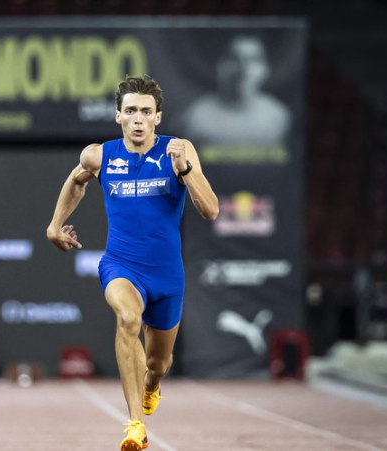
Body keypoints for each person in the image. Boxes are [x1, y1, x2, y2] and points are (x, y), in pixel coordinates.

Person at [47, 75, 218, 450]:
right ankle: (135, 426)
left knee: (158, 364)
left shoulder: (179, 150)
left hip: (167, 276)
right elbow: (77, 181)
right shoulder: (100, 155)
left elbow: (211, 210)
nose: (138, 119)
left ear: (158, 117)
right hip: (121, 264)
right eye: (130, 112)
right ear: (117, 117)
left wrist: (186, 171)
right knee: (127, 319)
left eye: (145, 112)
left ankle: (151, 387)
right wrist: (54, 225)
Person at [179, 35, 291, 146]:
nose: (243, 69)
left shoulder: (278, 116)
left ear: (265, 69)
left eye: (253, 60)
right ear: (220, 66)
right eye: (234, 59)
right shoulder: (195, 119)